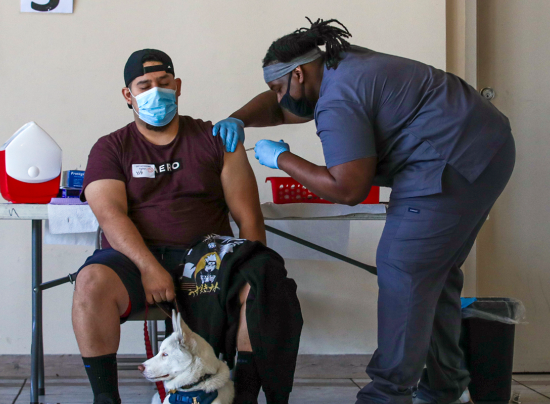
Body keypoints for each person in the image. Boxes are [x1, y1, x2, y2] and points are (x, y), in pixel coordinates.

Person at [213, 18, 516, 404]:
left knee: (402, 267)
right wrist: (239, 118)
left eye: (278, 86)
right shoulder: (339, 66)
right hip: (486, 146)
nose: (277, 96)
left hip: (454, 161)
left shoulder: (340, 99)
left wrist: (283, 158)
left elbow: (348, 188)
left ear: (300, 74)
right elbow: (278, 104)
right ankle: (443, 386)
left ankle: (386, 395)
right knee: (431, 276)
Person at [73, 49, 292, 404]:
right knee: (90, 281)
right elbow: (110, 215)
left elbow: (248, 217)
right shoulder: (111, 147)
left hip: (207, 259)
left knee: (260, 281)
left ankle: (246, 395)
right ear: (128, 95)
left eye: (163, 83)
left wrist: (254, 266)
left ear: (177, 87)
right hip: (135, 259)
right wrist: (148, 267)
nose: (155, 92)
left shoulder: (217, 139)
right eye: (144, 85)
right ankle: (105, 398)